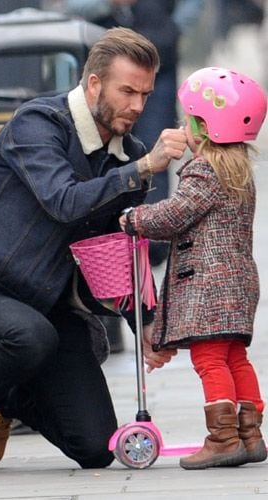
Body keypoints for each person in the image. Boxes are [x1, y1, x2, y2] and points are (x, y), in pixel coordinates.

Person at [0, 27, 187, 472]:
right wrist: (142, 169)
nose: (139, 106)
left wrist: (144, 321)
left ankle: (6, 400)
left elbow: (117, 247)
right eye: (128, 91)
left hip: (50, 309)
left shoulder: (128, 154)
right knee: (28, 335)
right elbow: (63, 202)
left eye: (145, 94)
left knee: (96, 447)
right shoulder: (37, 123)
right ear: (93, 84)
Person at [119, 67, 268, 470]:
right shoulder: (238, 171)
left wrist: (135, 218)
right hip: (237, 285)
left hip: (209, 288)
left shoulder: (204, 171)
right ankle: (249, 435)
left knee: (210, 360)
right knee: (235, 357)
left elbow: (175, 215)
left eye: (189, 120)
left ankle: (222, 439)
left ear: (204, 128)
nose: (184, 126)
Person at [64, 0, 205, 266]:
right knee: (105, 146)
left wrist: (174, 28)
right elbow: (71, 5)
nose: (137, 103)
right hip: (108, 62)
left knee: (157, 145)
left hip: (158, 59)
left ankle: (152, 240)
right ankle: (110, 238)